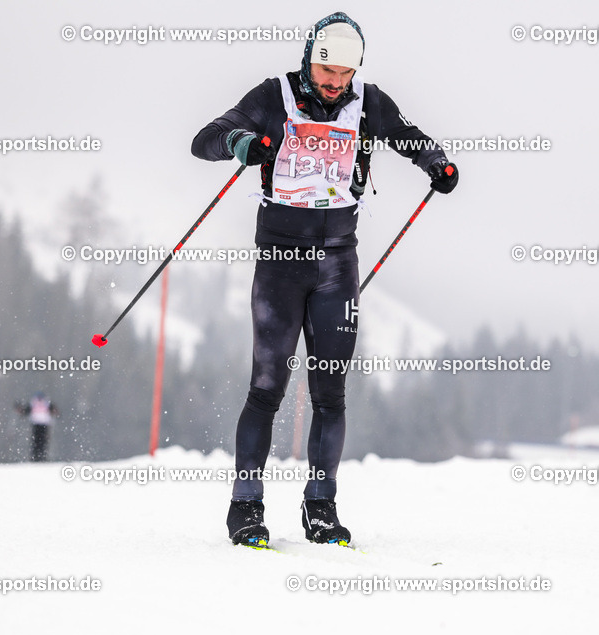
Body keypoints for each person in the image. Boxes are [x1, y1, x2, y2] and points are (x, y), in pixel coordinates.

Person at [191, 12, 458, 547]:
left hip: (337, 264)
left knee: (330, 393)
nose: (335, 83)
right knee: (266, 388)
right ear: (309, 57)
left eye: (344, 74)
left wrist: (436, 161)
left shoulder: (370, 103)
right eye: (326, 70)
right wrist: (243, 144)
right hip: (280, 262)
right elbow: (206, 140)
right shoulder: (274, 96)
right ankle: (245, 508)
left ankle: (321, 508)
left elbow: (408, 136)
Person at [15, 392, 59, 462]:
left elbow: (25, 411)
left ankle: (40, 457)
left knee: (40, 442)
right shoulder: (41, 403)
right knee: (38, 442)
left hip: (42, 425)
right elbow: (26, 411)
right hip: (38, 425)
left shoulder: (39, 403)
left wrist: (21, 411)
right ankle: (38, 457)